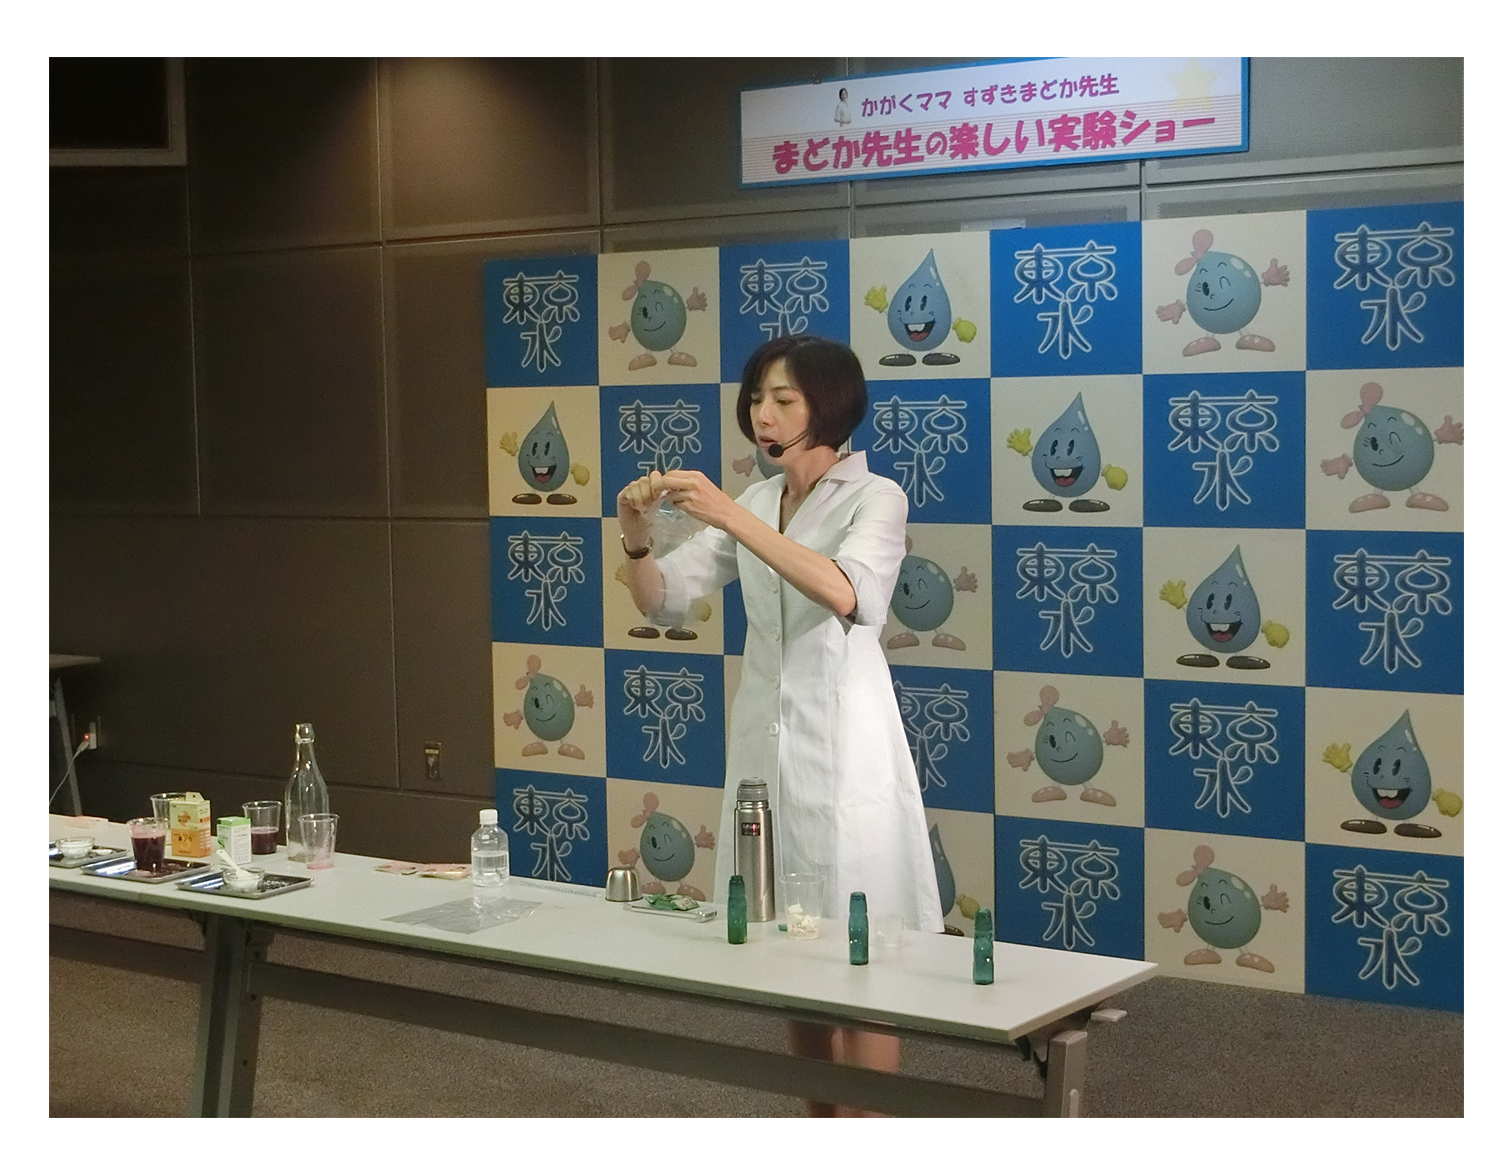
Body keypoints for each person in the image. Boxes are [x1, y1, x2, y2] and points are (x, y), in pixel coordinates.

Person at [616, 334, 943, 1116]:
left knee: (864, 964)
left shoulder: (876, 497)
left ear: (829, 406)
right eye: (758, 398)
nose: (764, 415)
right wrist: (634, 534)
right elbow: (660, 599)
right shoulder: (760, 503)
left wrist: (731, 514)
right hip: (765, 747)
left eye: (784, 399)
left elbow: (850, 593)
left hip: (847, 751)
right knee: (791, 957)